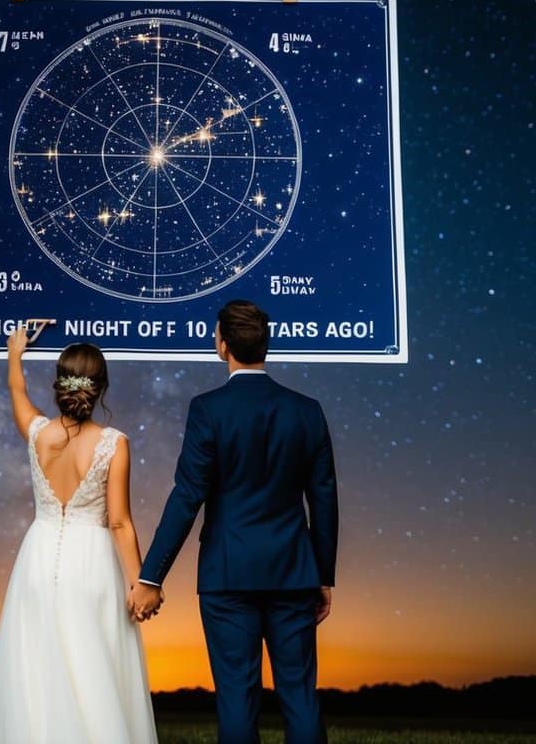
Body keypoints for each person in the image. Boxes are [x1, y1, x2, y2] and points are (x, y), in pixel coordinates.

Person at [130, 299, 339, 744]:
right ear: (267, 343)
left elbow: (188, 495)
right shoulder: (307, 410)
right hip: (294, 573)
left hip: (228, 576)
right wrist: (322, 575)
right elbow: (323, 499)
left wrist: (151, 575)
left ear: (222, 345)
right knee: (301, 697)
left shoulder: (208, 409)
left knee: (237, 699)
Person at [0, 328, 159, 744]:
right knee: (94, 664)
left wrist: (15, 352)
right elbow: (120, 522)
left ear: (59, 383)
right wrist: (140, 583)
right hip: (90, 564)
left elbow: (16, 389)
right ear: (101, 387)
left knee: (34, 666)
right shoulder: (114, 444)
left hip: (37, 559)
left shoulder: (38, 435)